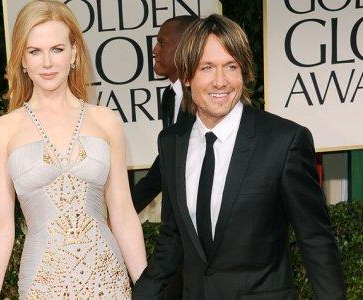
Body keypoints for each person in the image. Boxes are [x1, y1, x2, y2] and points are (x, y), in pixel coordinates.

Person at [133, 14, 346, 300]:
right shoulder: (173, 142)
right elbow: (173, 235)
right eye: (207, 68)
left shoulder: (284, 141)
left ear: (244, 72)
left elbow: (316, 240)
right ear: (186, 76)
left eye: (230, 67)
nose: (220, 82)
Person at [0, 1, 146, 299]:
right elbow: (1, 224)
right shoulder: (2, 131)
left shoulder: (106, 121)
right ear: (22, 59)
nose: (47, 62)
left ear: (74, 53)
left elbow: (123, 213)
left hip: (107, 280)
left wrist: (148, 289)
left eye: (57, 49)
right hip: (43, 282)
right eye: (35, 51)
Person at [132, 15, 196, 213]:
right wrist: (124, 210)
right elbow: (167, 162)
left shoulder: (203, 98)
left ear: (185, 48)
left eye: (162, 42)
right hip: (177, 218)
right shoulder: (169, 96)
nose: (154, 50)